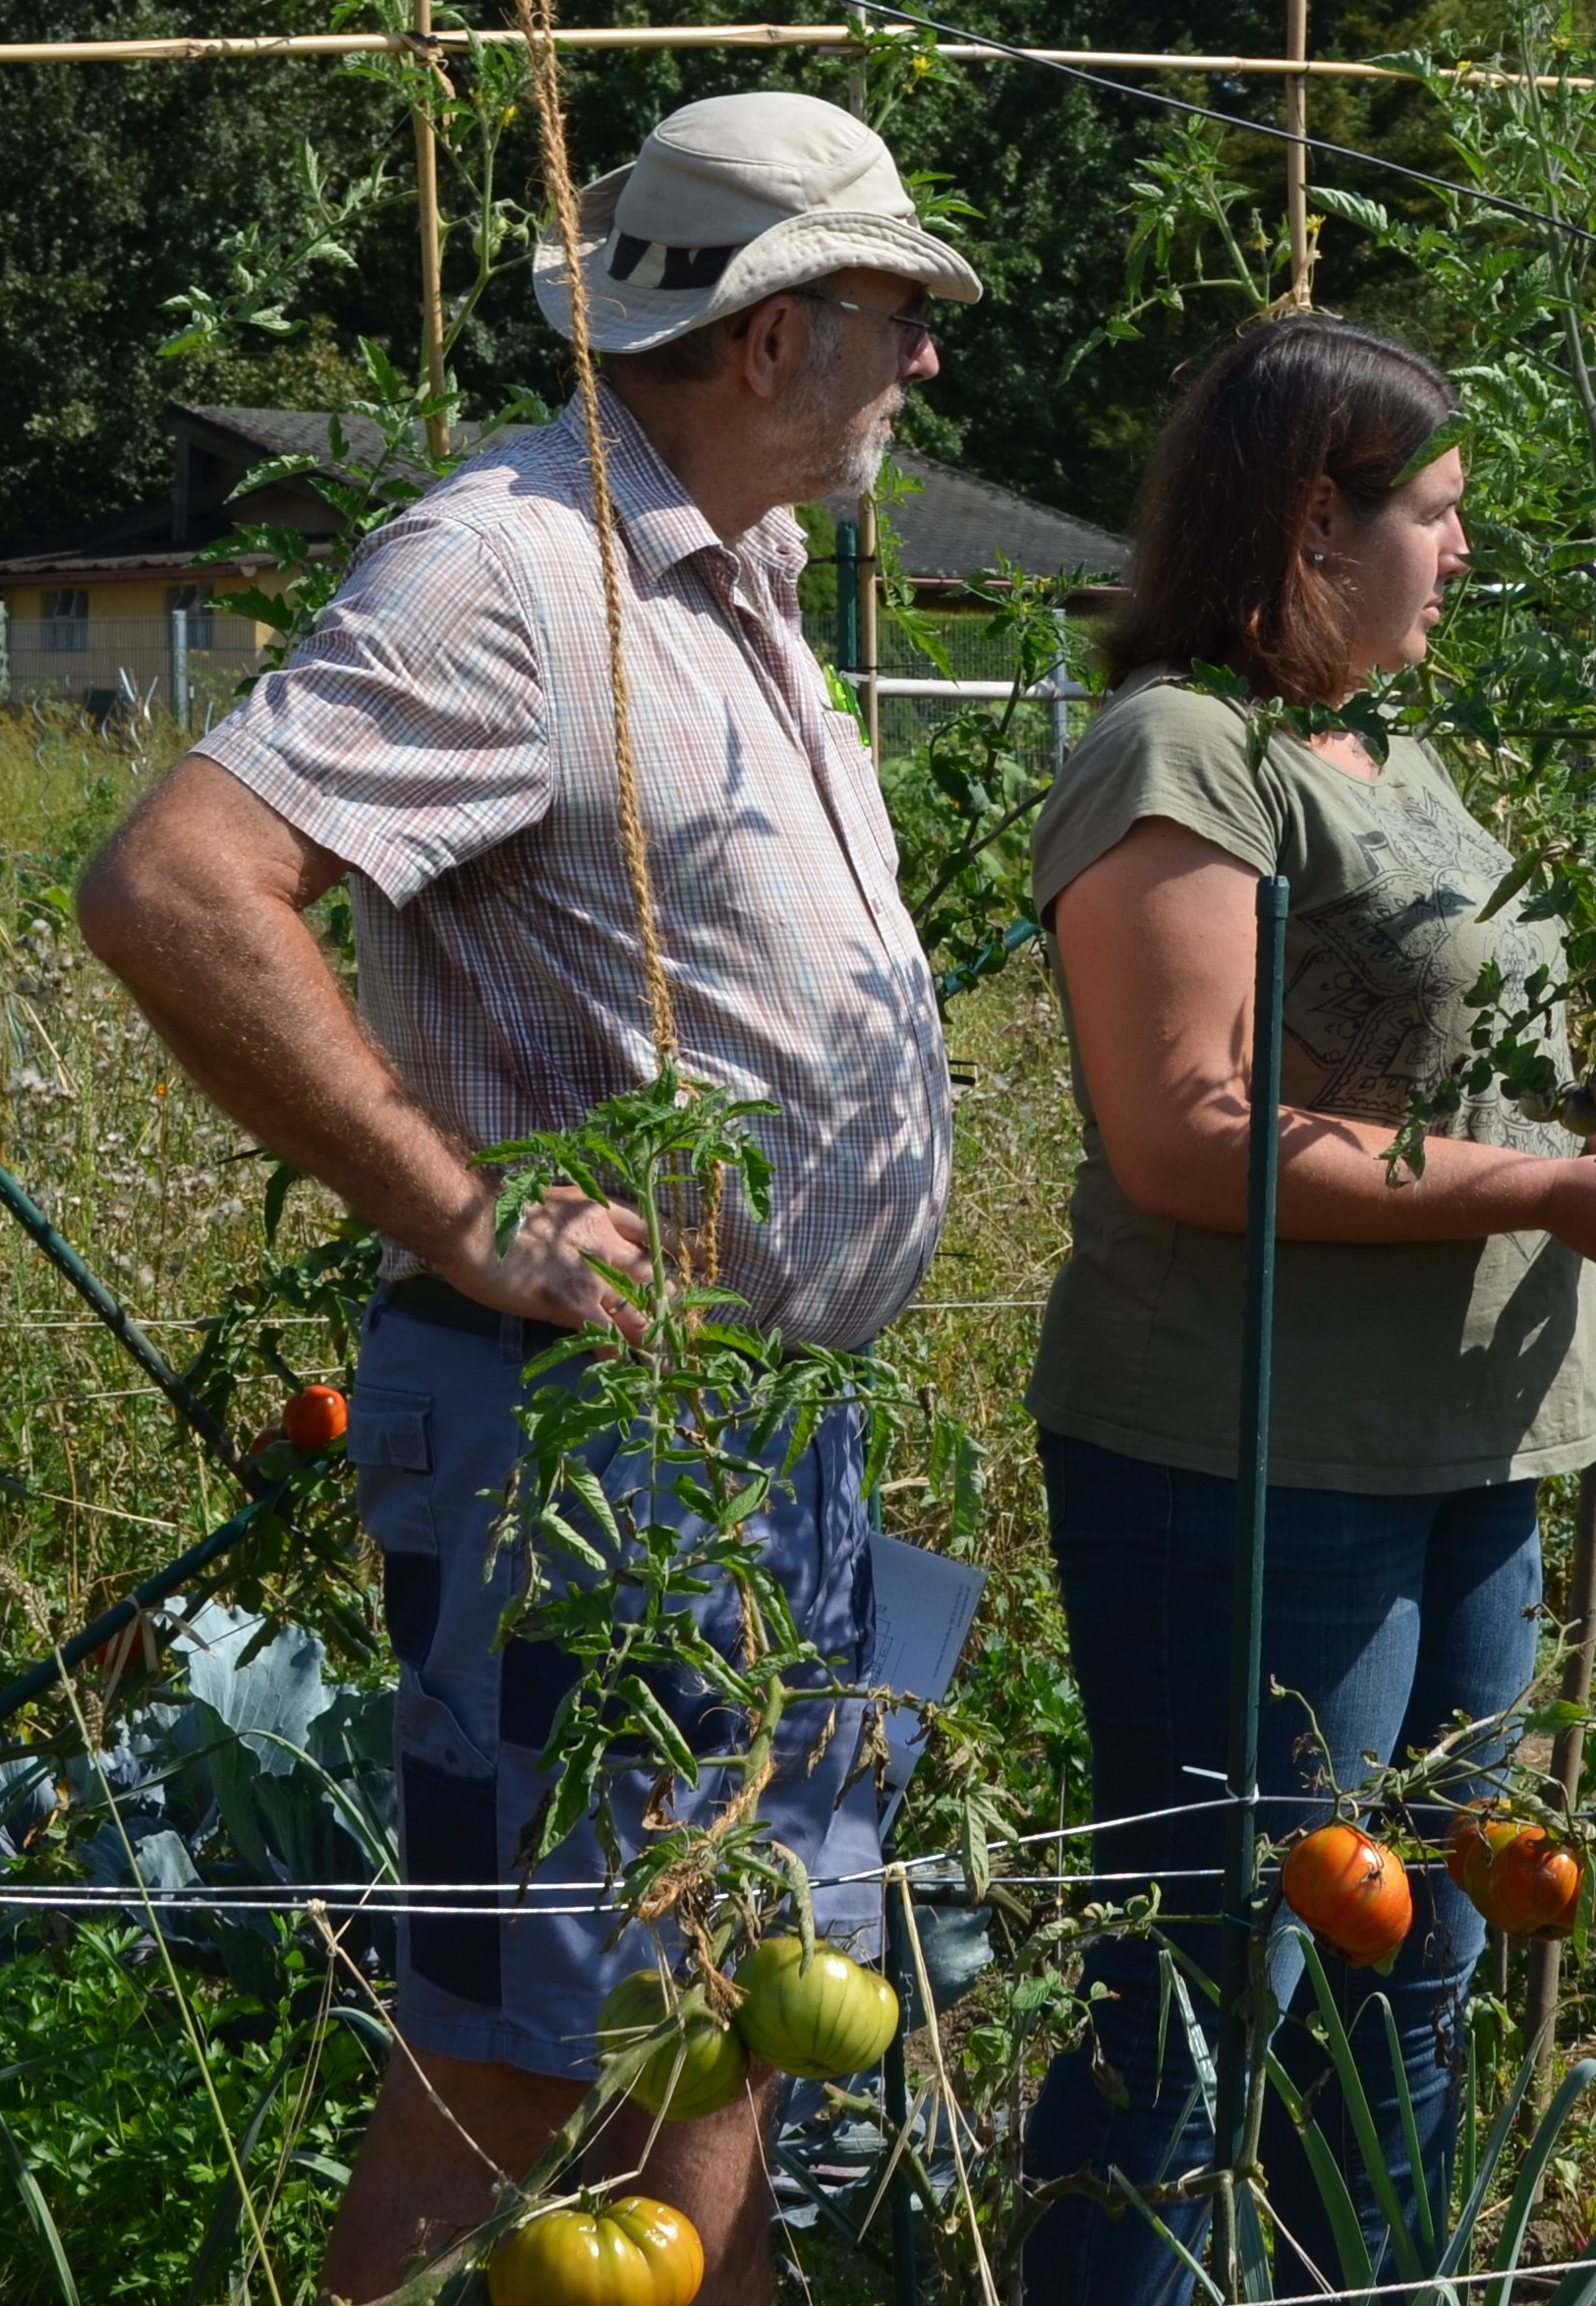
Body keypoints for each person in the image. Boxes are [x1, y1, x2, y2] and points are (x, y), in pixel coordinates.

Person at [68, 89, 983, 2306]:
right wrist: (470, 1212)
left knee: (722, 2005)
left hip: (754, 1431)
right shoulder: (507, 572)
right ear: (767, 337)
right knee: (513, 2036)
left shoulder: (730, 574)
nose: (929, 361)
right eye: (899, 311)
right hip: (582, 1448)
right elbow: (178, 888)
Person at [1010, 313, 1596, 2302]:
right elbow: (1187, 1138)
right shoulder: (1177, 755)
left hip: (1474, 1443)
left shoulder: (1390, 748)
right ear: (1318, 519)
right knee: (1216, 1975)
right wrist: (1547, 1189)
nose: (1463, 553)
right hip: (1250, 1455)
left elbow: (1439, 1081)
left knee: (1419, 1967)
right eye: (1440, 513)